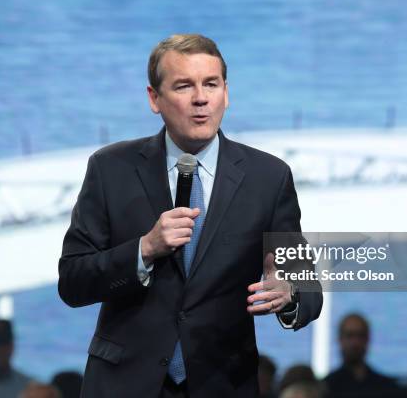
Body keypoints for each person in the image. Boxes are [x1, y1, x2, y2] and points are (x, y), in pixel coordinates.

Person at [58, 34, 323, 397]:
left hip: (222, 384)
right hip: (125, 385)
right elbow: (72, 281)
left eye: (210, 84)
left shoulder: (268, 178)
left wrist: (289, 292)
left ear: (225, 93)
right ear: (154, 98)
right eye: (184, 86)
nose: (201, 98)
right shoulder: (110, 169)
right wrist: (144, 250)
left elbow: (307, 285)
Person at [323, 313, 397, 394]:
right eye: (349, 336)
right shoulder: (326, 388)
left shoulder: (386, 387)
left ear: (368, 339)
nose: (355, 343)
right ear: (340, 339)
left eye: (360, 336)